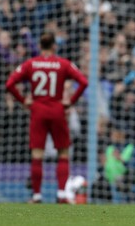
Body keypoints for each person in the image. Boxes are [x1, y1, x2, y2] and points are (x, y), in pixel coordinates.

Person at [5, 32, 88, 204]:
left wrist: (23, 101)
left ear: (40, 46)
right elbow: (83, 82)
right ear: (54, 46)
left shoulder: (30, 64)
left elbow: (9, 84)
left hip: (38, 110)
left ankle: (36, 196)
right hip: (57, 109)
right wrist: (70, 102)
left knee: (37, 154)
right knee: (63, 152)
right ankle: (62, 195)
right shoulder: (63, 64)